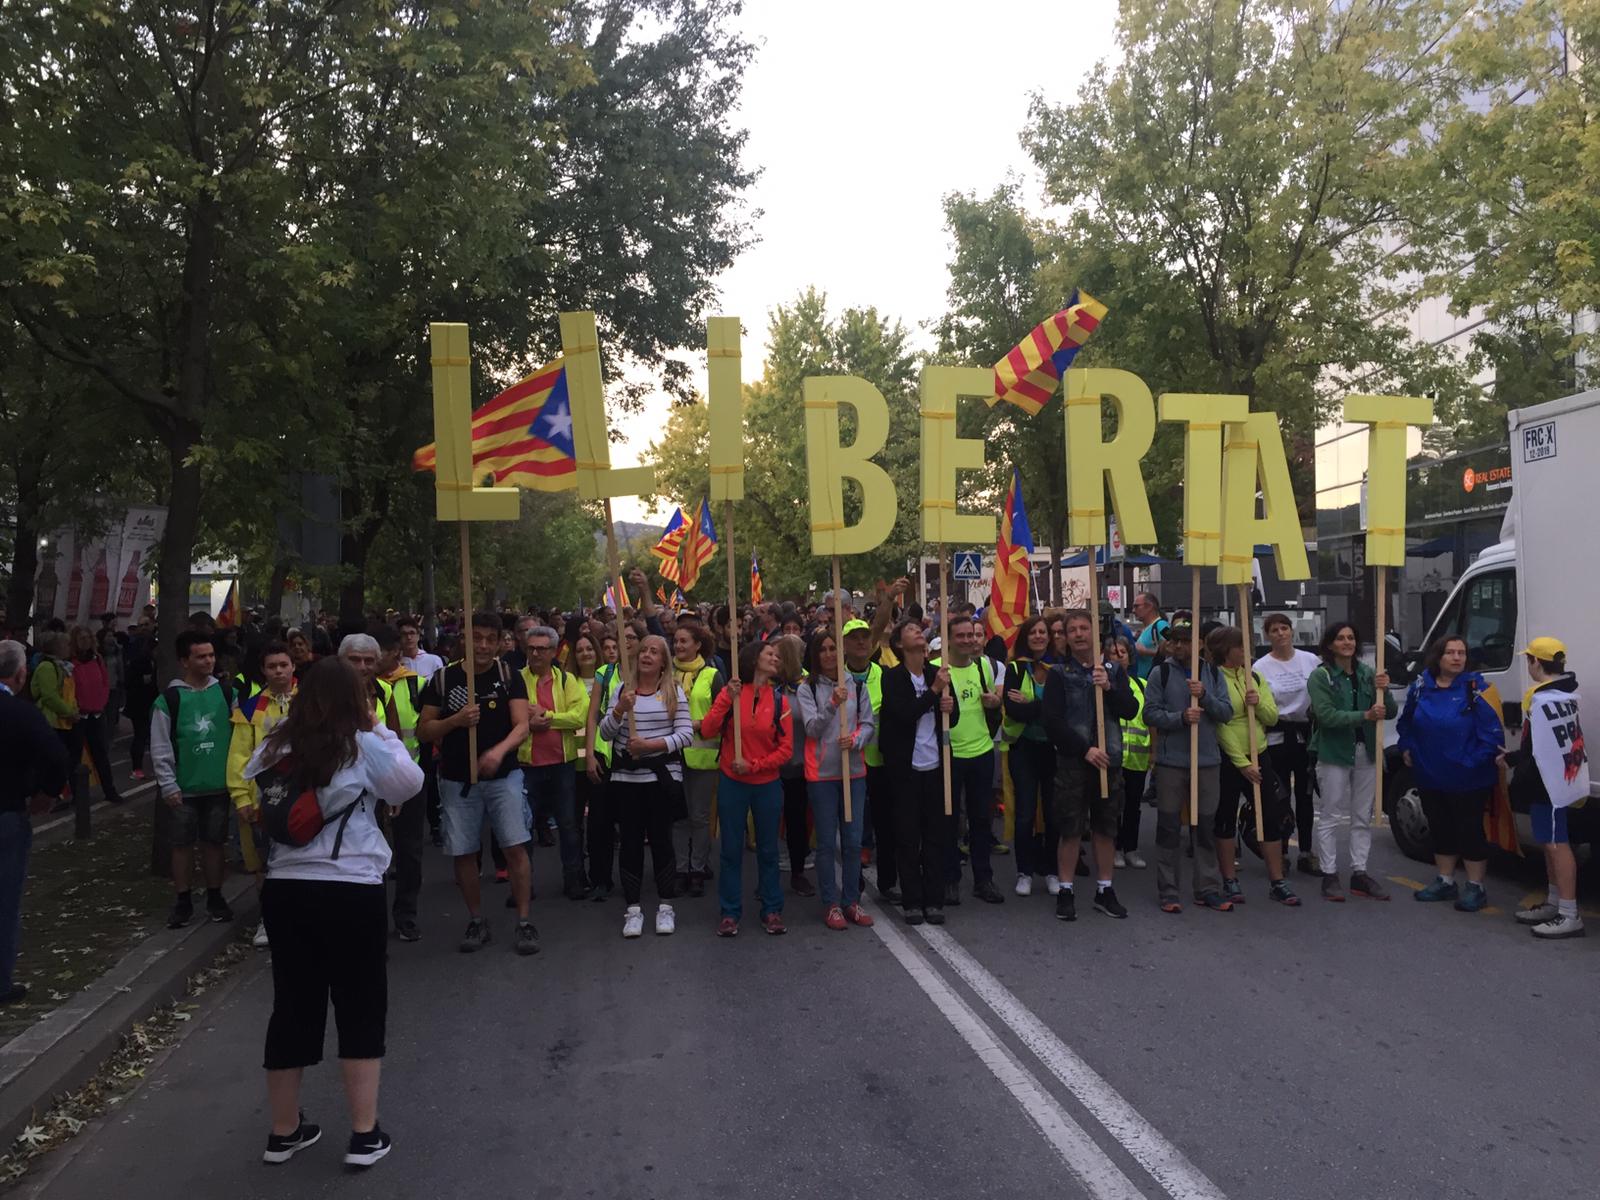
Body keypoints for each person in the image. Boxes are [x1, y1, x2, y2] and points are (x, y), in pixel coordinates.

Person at [245, 657, 423, 1169]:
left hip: (285, 887)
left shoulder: (278, 742)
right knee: (360, 1002)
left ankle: (283, 1131)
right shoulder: (361, 744)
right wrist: (379, 729)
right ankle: (364, 1134)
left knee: (292, 1005)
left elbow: (253, 779)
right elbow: (407, 783)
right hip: (350, 884)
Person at [415, 612, 537, 955]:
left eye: (489, 639)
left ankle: (524, 922)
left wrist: (498, 752)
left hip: (504, 777)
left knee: (515, 847)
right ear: (464, 640)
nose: (482, 645)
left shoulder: (508, 676)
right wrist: (455, 721)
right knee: (464, 851)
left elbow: (521, 725)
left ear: (499, 643)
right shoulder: (444, 678)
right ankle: (476, 919)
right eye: (476, 638)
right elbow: (424, 729)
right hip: (458, 780)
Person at [1041, 610, 1139, 921]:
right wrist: (1084, 750)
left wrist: (1109, 687)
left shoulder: (1113, 670)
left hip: (1108, 763)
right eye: (1073, 630)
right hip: (1074, 762)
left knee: (1106, 828)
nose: (1079, 634)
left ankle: (1105, 889)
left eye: (1084, 628)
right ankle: (1066, 889)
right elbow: (1052, 722)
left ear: (1095, 632)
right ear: (1066, 637)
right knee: (1070, 829)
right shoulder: (1059, 674)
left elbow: (1130, 709)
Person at [1398, 634, 1504, 912]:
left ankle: (1475, 886)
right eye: (1451, 652)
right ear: (1438, 656)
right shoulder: (1421, 686)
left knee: (1470, 831)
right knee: (1440, 828)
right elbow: (1406, 722)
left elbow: (1492, 734)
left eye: (1462, 653)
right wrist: (1407, 746)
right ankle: (1445, 880)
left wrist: (1470, 762)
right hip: (1430, 774)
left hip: (1468, 778)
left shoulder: (1477, 688)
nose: (1457, 658)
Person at [597, 634, 693, 938]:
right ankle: (633, 909)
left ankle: (666, 905)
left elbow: (685, 734)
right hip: (627, 780)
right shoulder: (622, 690)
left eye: (654, 651)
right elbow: (605, 733)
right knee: (630, 843)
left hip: (661, 778)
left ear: (663, 660)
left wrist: (650, 745)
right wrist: (618, 710)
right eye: (644, 651)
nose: (647, 655)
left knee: (662, 841)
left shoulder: (673, 691)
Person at [1142, 619, 1235, 913]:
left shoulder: (1213, 673)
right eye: (1174, 640)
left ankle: (1208, 887)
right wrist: (1180, 718)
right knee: (1169, 827)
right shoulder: (1161, 673)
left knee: (1205, 828)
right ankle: (1168, 890)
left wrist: (1205, 696)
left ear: (1200, 644)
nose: (1178, 645)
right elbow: (1149, 714)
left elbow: (1226, 713)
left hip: (1207, 761)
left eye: (1185, 640)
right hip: (1172, 762)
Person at [703, 640, 793, 935]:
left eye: (777, 655)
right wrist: (726, 699)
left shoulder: (779, 701)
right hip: (732, 783)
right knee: (730, 850)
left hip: (767, 785)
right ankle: (730, 912)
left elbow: (786, 749)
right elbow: (708, 729)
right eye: (770, 654)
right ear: (754, 659)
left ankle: (772, 909)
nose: (776, 659)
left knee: (768, 850)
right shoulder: (731, 693)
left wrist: (754, 765)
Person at [1208, 625, 1300, 906]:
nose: (1246, 652)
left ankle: (1277, 881)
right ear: (1226, 650)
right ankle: (1229, 879)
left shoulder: (1254, 677)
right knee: (1225, 817)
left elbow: (1271, 717)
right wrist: (1242, 763)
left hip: (1260, 753)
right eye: (1241, 647)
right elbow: (1220, 724)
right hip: (1229, 758)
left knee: (1270, 816)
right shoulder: (1214, 678)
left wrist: (1257, 703)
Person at [151, 631, 237, 928]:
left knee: (215, 843)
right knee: (182, 844)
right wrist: (168, 783)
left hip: (219, 785)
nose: (208, 661)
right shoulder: (169, 700)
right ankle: (183, 900)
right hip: (184, 788)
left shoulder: (226, 694)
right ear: (184, 661)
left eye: (211, 655)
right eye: (201, 657)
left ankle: (215, 896)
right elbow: (160, 745)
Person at [0, 640, 70, 1004]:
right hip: (7, 813)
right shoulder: (21, 713)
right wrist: (48, 791)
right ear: (20, 675)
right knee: (5, 898)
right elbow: (56, 755)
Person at [1307, 621, 1396, 903]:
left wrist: (1385, 690)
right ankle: (1329, 873)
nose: (1347, 642)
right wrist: (1364, 716)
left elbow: (1390, 711)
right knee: (1330, 814)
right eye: (1340, 638)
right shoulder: (1321, 676)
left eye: (1351, 638)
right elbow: (1326, 716)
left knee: (1361, 815)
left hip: (1366, 751)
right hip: (1334, 752)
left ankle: (1360, 872)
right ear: (1330, 644)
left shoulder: (1368, 673)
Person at [795, 628, 877, 929]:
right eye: (823, 649)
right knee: (827, 842)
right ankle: (831, 903)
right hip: (822, 775)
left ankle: (851, 900)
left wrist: (855, 740)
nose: (829, 654)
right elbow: (812, 729)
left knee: (853, 842)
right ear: (815, 655)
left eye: (833, 648)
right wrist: (832, 704)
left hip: (853, 773)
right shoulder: (808, 689)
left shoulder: (857, 683)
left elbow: (868, 724)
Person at [1506, 637, 1587, 939]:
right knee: (1549, 843)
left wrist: (1516, 764)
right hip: (1559, 777)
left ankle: (1568, 913)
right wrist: (1514, 758)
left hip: (1546, 782)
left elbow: (1535, 745)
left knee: (1556, 844)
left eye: (1529, 660)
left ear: (1536, 662)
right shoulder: (1566, 693)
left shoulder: (1539, 698)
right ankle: (1555, 903)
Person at [879, 621, 955, 925]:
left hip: (935, 766)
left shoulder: (938, 673)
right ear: (899, 644)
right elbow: (904, 714)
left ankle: (933, 899)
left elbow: (951, 718)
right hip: (906, 769)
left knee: (935, 836)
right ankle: (912, 900)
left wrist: (948, 705)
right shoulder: (892, 678)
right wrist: (934, 692)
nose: (917, 631)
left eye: (918, 628)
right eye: (909, 629)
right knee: (908, 837)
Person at [227, 639, 297, 948]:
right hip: (261, 800)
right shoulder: (249, 709)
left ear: (293, 666)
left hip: (303, 796)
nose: (279, 671)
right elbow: (238, 756)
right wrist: (241, 797)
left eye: (283, 665)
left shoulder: (310, 702)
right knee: (263, 863)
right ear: (263, 671)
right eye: (272, 666)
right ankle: (268, 919)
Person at [516, 624, 589, 898]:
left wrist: (545, 716)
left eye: (541, 649)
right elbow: (511, 717)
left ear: (554, 651)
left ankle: (573, 880)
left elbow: (578, 717)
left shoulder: (568, 681)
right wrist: (529, 723)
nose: (535, 654)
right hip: (526, 765)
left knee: (568, 825)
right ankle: (523, 886)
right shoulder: (516, 680)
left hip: (562, 764)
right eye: (531, 648)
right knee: (523, 828)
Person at [937, 614, 1005, 905]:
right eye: (961, 636)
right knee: (949, 820)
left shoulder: (982, 667)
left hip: (981, 751)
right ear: (949, 640)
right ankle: (950, 879)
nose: (968, 641)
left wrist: (995, 702)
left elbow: (993, 702)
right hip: (950, 753)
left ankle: (983, 879)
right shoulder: (939, 670)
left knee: (981, 819)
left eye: (972, 635)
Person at [1254, 612, 1322, 875]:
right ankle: (1280, 851)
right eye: (1274, 630)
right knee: (1279, 798)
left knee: (1305, 796)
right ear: (1267, 635)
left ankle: (1306, 851)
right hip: (1276, 737)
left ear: (1291, 631)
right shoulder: (1261, 667)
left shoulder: (1310, 660)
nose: (1280, 633)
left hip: (1305, 737)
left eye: (1284, 628)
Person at [374, 625, 427, 940]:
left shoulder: (416, 684)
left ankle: (406, 914)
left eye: (375, 654)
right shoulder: (361, 689)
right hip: (370, 785)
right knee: (372, 851)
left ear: (394, 652)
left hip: (407, 780)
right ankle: (374, 919)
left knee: (409, 851)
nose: (369, 662)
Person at [1003, 616, 1056, 896]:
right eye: (1033, 632)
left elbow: (1061, 710)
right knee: (1024, 813)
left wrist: (1033, 704)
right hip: (1023, 748)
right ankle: (1024, 871)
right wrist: (1043, 707)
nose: (1038, 636)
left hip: (1053, 750)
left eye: (1042, 631)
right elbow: (1013, 711)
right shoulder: (1015, 668)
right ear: (1025, 637)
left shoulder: (1058, 668)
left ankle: (1051, 870)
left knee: (1053, 813)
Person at [671, 619, 724, 896]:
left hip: (703, 757)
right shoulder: (666, 674)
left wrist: (698, 724)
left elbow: (721, 714)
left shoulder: (712, 676)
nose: (678, 646)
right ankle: (680, 869)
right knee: (679, 817)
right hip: (672, 755)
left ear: (698, 645)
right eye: (676, 641)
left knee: (700, 817)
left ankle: (697, 868)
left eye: (684, 641)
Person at [772, 635, 815, 896]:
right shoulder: (770, 687)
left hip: (801, 764)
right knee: (772, 821)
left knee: (798, 821)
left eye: (777, 656)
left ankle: (798, 872)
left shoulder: (807, 687)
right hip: (774, 766)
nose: (772, 660)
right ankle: (767, 879)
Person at [29, 631, 82, 815]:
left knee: (69, 760)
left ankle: (65, 793)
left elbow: (69, 693)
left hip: (66, 721)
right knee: (53, 761)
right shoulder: (47, 667)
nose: (69, 647)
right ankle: (47, 795)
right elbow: (49, 696)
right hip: (53, 721)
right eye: (65, 644)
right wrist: (68, 712)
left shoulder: (64, 667)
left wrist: (74, 709)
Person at [70, 626, 123, 806]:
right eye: (81, 638)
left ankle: (110, 790)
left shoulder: (97, 659)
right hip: (79, 715)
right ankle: (77, 795)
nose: (85, 641)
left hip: (97, 713)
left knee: (101, 754)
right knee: (75, 756)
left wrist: (101, 702)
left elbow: (105, 682)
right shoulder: (71, 662)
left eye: (87, 637)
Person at [1130, 592, 1169, 681]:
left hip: (1155, 682)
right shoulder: (1146, 629)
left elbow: (1173, 648)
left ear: (1149, 606)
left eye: (1136, 606)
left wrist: (1146, 652)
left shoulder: (1161, 625)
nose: (1133, 610)